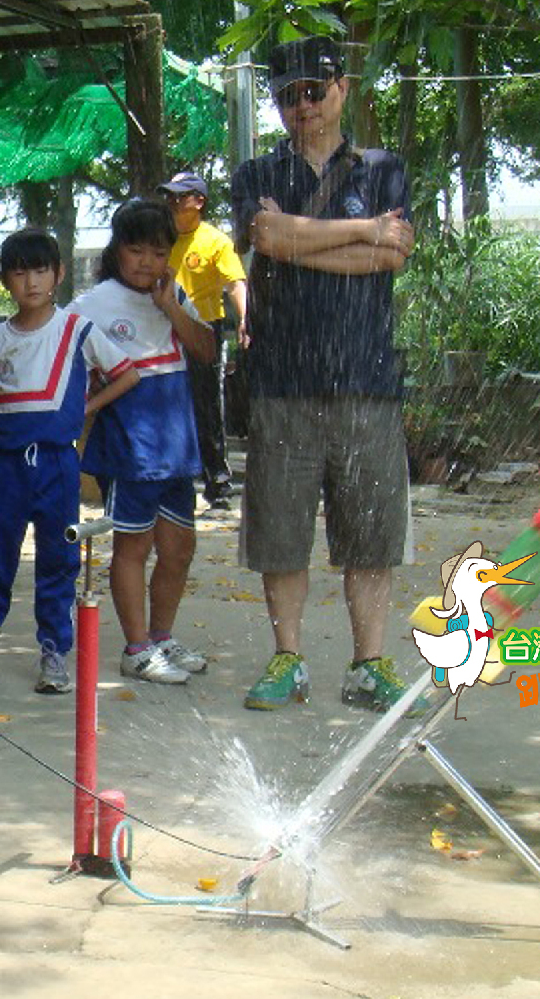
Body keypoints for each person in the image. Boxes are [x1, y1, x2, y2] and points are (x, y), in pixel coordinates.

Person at [230, 35, 417, 712]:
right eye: (288, 96)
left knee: (371, 535)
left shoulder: (382, 167)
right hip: (281, 382)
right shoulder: (256, 174)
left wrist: (308, 242)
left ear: (343, 88)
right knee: (281, 532)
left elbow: (391, 258)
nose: (303, 106)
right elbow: (267, 240)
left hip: (368, 381)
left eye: (315, 90)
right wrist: (362, 232)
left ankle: (370, 663)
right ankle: (289, 659)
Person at [0, 230, 138, 693]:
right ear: (5, 280)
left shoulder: (78, 331)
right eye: (19, 272)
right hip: (5, 465)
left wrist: (83, 410)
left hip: (57, 465)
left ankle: (55, 651)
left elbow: (127, 375)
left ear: (58, 275)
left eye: (40, 270)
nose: (31, 281)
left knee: (60, 558)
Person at [76, 199, 218, 685]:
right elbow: (67, 359)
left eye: (158, 253)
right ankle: (136, 649)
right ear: (116, 250)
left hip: (176, 442)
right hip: (128, 446)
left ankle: (162, 637)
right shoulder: (92, 304)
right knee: (132, 548)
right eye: (135, 251)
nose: (146, 263)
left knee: (179, 548)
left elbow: (205, 351)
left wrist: (170, 306)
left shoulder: (171, 293)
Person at [159, 171, 247, 509]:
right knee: (167, 403)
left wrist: (244, 319)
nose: (173, 203)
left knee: (207, 405)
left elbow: (235, 283)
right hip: (163, 329)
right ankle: (172, 480)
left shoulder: (215, 241)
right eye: (169, 197)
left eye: (180, 196)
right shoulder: (160, 239)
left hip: (205, 328)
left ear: (199, 201)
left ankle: (218, 484)